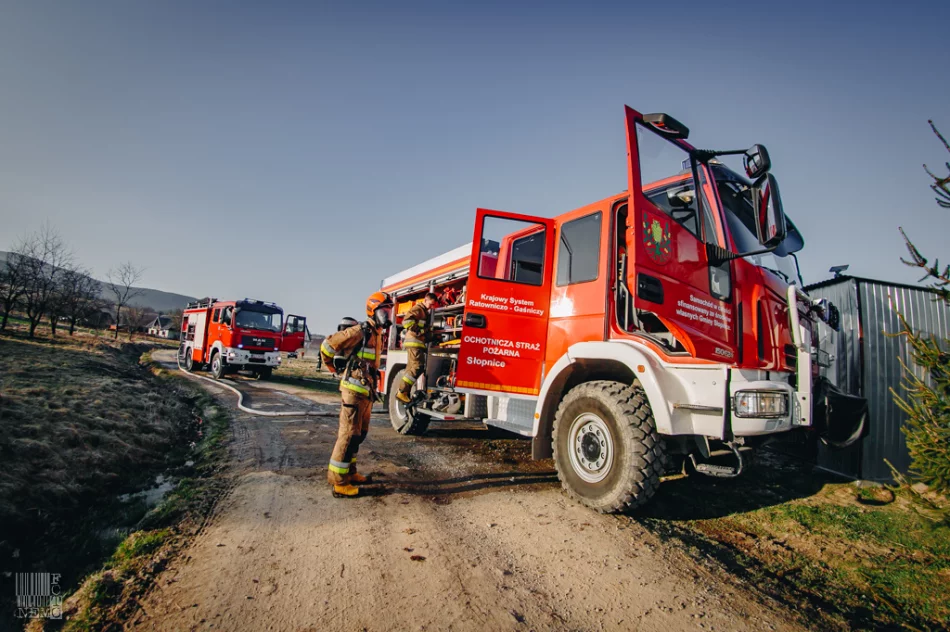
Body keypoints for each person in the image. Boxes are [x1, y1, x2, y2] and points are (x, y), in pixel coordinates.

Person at [319, 292, 393, 498]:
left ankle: (350, 473)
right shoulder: (360, 330)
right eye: (384, 310)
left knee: (358, 436)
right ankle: (338, 482)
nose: (388, 314)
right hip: (353, 392)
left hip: (366, 392)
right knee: (348, 435)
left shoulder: (377, 332)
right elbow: (327, 345)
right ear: (373, 311)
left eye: (389, 310)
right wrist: (332, 368)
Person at [395, 292, 440, 404]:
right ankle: (402, 392)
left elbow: (425, 329)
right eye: (431, 304)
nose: (432, 307)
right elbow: (406, 321)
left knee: (411, 369)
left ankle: (404, 393)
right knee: (418, 366)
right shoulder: (418, 309)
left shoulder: (424, 312)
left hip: (417, 343)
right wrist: (418, 331)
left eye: (433, 305)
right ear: (425, 300)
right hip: (414, 343)